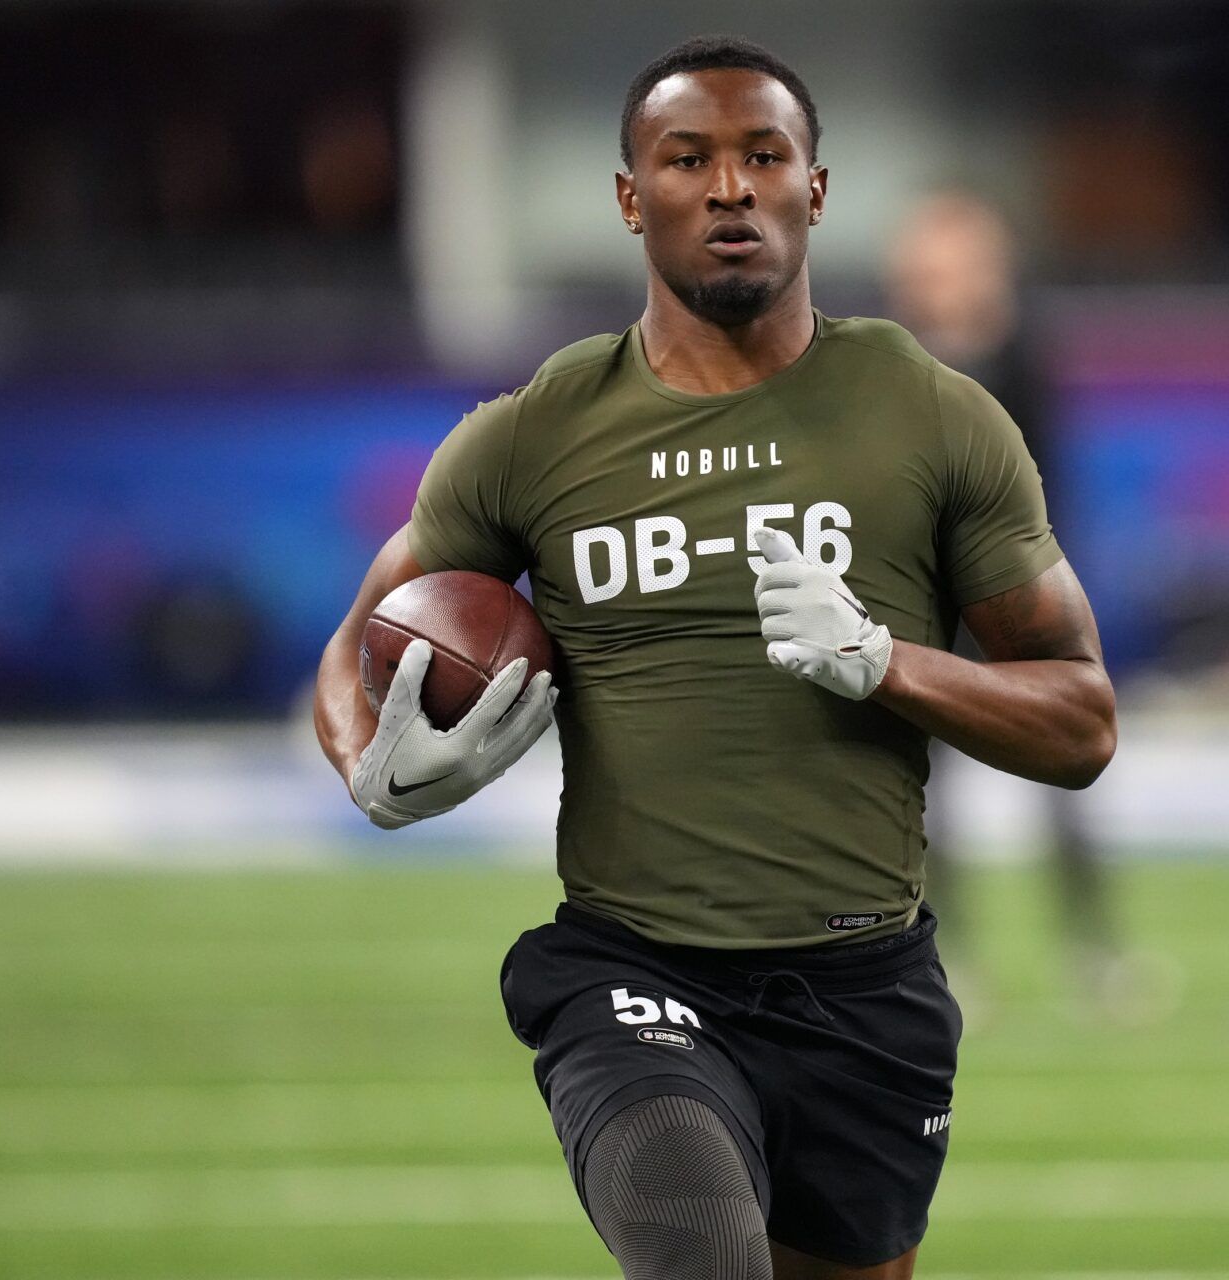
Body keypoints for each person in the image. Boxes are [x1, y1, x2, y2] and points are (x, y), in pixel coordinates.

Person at [312, 36, 1116, 1280]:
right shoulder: (532, 434)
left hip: (868, 991)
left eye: (764, 155)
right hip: (634, 972)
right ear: (633, 197)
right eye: (688, 159)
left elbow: (1081, 721)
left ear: (817, 188)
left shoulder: (935, 413)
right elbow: (357, 636)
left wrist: (882, 660)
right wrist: (368, 762)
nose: (730, 187)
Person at [885, 192, 1129, 1009]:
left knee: (1062, 769)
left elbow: (1046, 480)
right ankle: (947, 958)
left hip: (1016, 593)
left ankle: (1094, 950)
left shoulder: (1025, 351)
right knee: (925, 792)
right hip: (927, 599)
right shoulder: (888, 357)